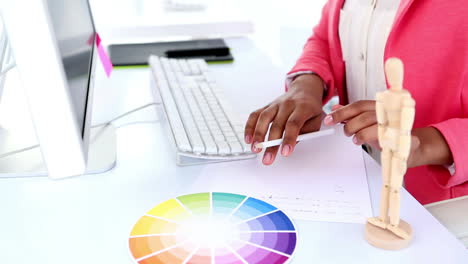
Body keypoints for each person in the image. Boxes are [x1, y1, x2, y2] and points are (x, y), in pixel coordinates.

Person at [243, 0, 468, 205]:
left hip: (438, 210)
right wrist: (306, 84)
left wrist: (425, 145)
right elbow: (325, 37)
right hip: (358, 184)